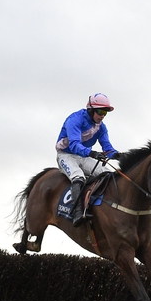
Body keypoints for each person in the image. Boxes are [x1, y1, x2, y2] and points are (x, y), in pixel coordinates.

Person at [55, 93, 119, 227]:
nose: (102, 116)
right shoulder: (75, 119)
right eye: (100, 111)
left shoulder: (101, 127)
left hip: (84, 156)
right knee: (78, 177)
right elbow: (74, 145)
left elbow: (107, 148)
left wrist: (119, 155)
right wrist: (92, 153)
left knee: (107, 174)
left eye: (105, 113)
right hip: (66, 155)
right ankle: (77, 213)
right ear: (91, 109)